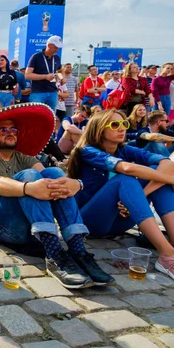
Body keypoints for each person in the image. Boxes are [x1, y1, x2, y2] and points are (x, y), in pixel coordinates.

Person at [0, 103, 114, 288]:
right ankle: (54, 254)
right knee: (29, 176)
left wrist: (73, 183)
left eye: (13, 129)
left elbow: (50, 181)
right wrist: (28, 187)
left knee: (54, 174)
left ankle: (78, 250)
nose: (10, 132)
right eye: (3, 130)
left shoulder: (25, 158)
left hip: (27, 224)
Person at [68, 109, 174, 280]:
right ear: (99, 129)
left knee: (157, 176)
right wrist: (171, 180)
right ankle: (167, 254)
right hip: (90, 222)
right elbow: (127, 168)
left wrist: (142, 193)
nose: (122, 128)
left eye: (124, 124)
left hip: (119, 220)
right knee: (128, 178)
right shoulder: (88, 151)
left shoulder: (125, 150)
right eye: (115, 125)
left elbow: (168, 164)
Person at [25, 35, 63, 111]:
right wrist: (45, 77)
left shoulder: (56, 58)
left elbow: (59, 71)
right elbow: (27, 75)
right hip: (38, 92)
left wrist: (61, 78)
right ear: (49, 45)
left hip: (53, 92)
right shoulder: (36, 57)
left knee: (51, 116)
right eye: (55, 47)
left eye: (58, 47)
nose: (57, 49)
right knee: (36, 115)